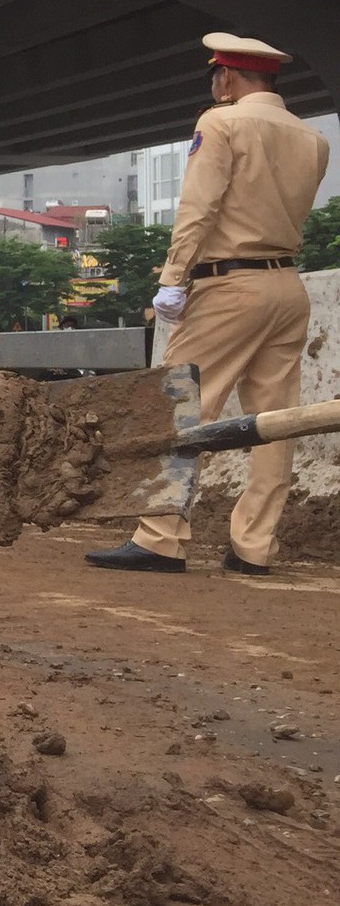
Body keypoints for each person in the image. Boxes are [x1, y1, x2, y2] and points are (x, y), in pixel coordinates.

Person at [86, 33, 330, 577]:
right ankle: (253, 547)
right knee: (276, 420)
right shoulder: (312, 138)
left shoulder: (220, 122)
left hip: (228, 286)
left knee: (181, 405)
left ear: (226, 78)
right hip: (286, 286)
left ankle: (161, 538)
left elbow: (199, 208)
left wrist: (173, 279)